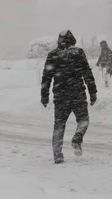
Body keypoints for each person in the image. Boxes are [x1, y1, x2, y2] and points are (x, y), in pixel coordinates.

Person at [40, 30, 97, 164]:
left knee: (59, 125)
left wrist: (44, 95)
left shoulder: (53, 55)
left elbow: (46, 77)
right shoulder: (78, 53)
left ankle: (57, 155)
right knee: (83, 120)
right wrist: (92, 92)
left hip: (61, 95)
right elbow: (87, 73)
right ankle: (77, 139)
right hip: (77, 94)